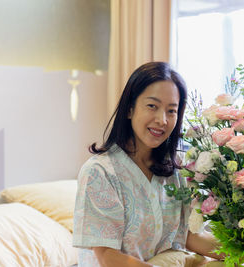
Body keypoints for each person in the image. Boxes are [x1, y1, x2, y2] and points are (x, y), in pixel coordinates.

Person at [73, 62, 223, 267]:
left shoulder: (175, 171)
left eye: (171, 111)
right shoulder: (100, 173)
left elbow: (189, 235)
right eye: (152, 106)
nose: (162, 120)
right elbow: (107, 256)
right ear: (129, 109)